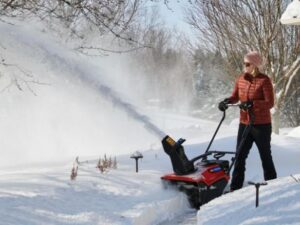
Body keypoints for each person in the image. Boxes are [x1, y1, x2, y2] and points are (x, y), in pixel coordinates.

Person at [218, 51, 277, 191]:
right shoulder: (241, 79)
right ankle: (235, 188)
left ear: (255, 65)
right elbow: (235, 96)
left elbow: (270, 103)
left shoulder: (264, 80)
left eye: (247, 63)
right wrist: (227, 101)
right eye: (244, 63)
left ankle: (274, 187)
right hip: (245, 123)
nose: (244, 66)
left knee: (265, 156)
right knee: (239, 156)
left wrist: (253, 104)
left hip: (261, 126)